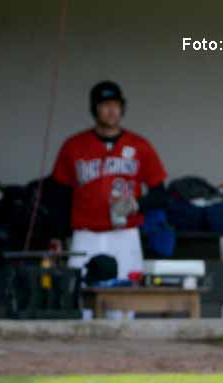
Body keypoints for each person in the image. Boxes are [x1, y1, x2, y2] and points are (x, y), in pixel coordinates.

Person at [52, 81, 168, 281]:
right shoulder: (73, 146)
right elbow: (59, 196)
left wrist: (136, 204)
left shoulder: (140, 146)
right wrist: (56, 235)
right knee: (80, 293)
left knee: (126, 295)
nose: (112, 110)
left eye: (116, 104)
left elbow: (160, 194)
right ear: (94, 109)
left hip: (125, 235)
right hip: (85, 235)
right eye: (105, 105)